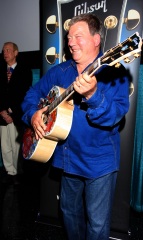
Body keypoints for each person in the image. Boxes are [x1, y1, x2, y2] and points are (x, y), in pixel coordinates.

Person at [21, 13, 130, 240]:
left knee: (97, 224)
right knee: (68, 212)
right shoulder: (59, 72)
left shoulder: (114, 72)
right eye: (69, 37)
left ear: (96, 40)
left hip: (99, 162)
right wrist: (33, 115)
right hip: (67, 158)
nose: (70, 42)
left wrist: (93, 94)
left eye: (77, 36)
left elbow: (116, 116)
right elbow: (32, 94)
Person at [0, 42, 32, 184]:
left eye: (8, 50)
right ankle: (9, 172)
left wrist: (10, 111)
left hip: (16, 115)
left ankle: (18, 173)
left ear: (16, 52)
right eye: (3, 50)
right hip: (2, 116)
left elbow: (24, 94)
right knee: (5, 146)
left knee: (16, 146)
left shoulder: (25, 70)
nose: (5, 53)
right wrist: (2, 111)